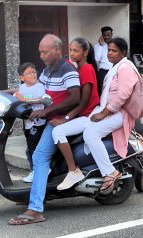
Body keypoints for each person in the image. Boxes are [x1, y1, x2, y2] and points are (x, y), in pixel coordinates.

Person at [9, 34, 81, 225]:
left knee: (39, 156)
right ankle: (38, 193)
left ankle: (35, 209)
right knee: (32, 150)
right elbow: (32, 88)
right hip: (46, 118)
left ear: (57, 50)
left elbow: (75, 98)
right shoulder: (47, 70)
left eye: (45, 52)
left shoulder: (68, 69)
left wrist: (48, 111)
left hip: (57, 120)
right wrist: (7, 93)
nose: (41, 55)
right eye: (40, 52)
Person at [84, 37, 140, 193]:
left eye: (114, 50)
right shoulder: (115, 67)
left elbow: (122, 95)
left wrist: (104, 113)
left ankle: (110, 172)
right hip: (112, 110)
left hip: (122, 113)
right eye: (108, 50)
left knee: (90, 133)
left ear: (123, 52)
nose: (110, 53)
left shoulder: (125, 68)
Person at [51, 37, 100, 190]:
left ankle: (73, 171)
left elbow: (83, 101)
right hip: (82, 114)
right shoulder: (78, 68)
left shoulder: (86, 69)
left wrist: (65, 119)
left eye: (75, 51)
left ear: (85, 52)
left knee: (57, 131)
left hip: (88, 115)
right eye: (70, 50)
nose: (71, 53)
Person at [13, 62, 46, 183]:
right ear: (22, 78)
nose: (33, 74)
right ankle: (35, 170)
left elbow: (41, 99)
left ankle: (36, 171)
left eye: (34, 72)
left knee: (33, 148)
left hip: (38, 123)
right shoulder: (22, 88)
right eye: (29, 73)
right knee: (30, 148)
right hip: (27, 123)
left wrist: (24, 99)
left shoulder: (39, 86)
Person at [94, 26, 113, 94]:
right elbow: (97, 58)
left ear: (111, 35)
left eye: (108, 35)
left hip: (113, 70)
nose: (107, 37)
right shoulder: (98, 46)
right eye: (105, 35)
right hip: (103, 72)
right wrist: (101, 46)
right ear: (102, 36)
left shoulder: (115, 45)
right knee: (103, 91)